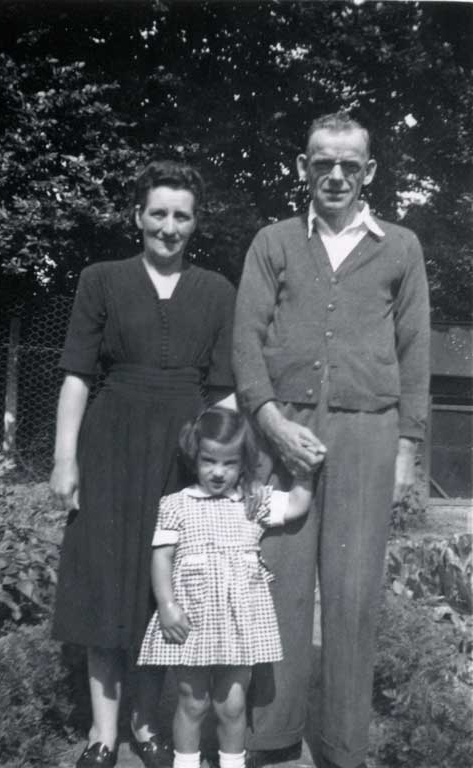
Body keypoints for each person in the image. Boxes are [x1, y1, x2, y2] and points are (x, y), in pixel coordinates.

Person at [232, 112, 430, 768]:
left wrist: (406, 446)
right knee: (278, 584)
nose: (336, 175)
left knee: (352, 591)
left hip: (368, 436)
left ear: (369, 172)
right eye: (323, 162)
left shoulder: (400, 247)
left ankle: (345, 746)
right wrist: (269, 422)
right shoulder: (274, 242)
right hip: (280, 434)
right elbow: (247, 339)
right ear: (303, 168)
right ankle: (272, 736)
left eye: (350, 164)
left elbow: (415, 348)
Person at [50, 160, 237, 768]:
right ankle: (104, 736)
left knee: (167, 592)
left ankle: (146, 724)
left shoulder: (216, 291)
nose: (169, 226)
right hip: (110, 446)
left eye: (181, 215)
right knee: (106, 585)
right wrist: (64, 459)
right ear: (137, 217)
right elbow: (78, 375)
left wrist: (223, 466)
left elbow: (226, 393)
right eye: (158, 213)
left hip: (182, 455)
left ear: (195, 223)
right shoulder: (100, 279)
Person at [137, 406, 314, 768]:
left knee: (231, 705)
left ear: (243, 462)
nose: (218, 472)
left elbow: (296, 504)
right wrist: (167, 605)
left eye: (229, 463)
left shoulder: (254, 500)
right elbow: (161, 558)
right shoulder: (175, 505)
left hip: (239, 625)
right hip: (192, 621)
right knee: (192, 701)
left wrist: (306, 472)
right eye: (209, 461)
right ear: (195, 457)